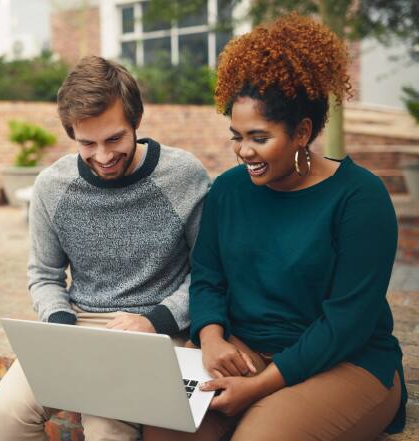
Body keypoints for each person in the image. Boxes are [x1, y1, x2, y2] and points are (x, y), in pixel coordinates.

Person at [143, 13, 408, 441]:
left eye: (259, 137)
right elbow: (208, 278)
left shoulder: (359, 198)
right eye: (236, 135)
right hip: (245, 350)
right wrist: (211, 340)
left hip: (345, 361)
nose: (244, 151)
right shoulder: (229, 190)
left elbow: (347, 323)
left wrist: (257, 388)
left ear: (302, 131)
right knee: (166, 428)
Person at [0, 56, 211, 441]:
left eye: (114, 139)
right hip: (78, 324)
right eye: (86, 143)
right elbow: (44, 276)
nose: (103, 157)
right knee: (6, 413)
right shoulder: (51, 187)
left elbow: (208, 274)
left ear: (136, 121)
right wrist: (60, 327)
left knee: (108, 430)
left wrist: (154, 321)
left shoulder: (184, 177)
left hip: (158, 329)